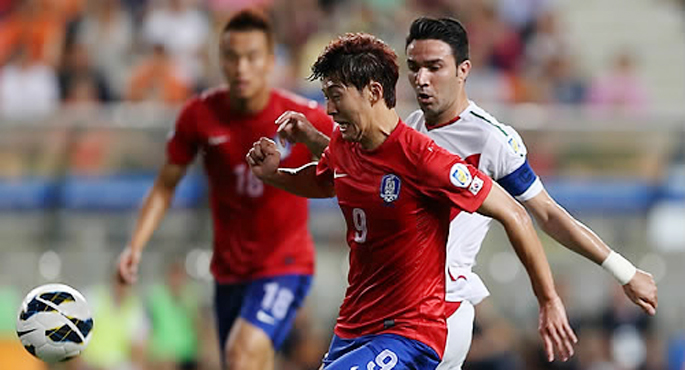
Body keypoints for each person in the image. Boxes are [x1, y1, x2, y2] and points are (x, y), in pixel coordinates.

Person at [276, 17, 658, 370]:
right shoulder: (402, 128)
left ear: (463, 71)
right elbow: (350, 172)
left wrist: (620, 271)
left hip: (441, 310)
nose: (421, 79)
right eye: (414, 67)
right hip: (383, 309)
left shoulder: (490, 138)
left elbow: (546, 214)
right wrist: (311, 140)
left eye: (434, 67)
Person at [247, 32, 576, 370]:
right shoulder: (348, 145)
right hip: (354, 325)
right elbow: (325, 180)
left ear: (374, 92)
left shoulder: (425, 159)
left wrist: (548, 299)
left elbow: (515, 214)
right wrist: (275, 174)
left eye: (336, 96)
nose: (329, 109)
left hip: (410, 331)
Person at [116, 9, 334, 370]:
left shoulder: (301, 116)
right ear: (221, 60)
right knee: (245, 362)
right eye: (232, 57)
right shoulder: (199, 116)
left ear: (270, 60)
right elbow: (165, 186)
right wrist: (135, 246)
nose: (242, 67)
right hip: (229, 273)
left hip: (285, 264)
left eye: (252, 57)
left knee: (241, 354)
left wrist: (312, 141)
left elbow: (349, 164)